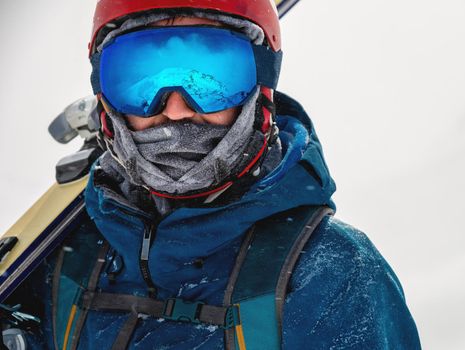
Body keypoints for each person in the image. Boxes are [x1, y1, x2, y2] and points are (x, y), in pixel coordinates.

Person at [3, 1, 421, 349]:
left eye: (210, 78)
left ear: (261, 86)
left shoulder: (332, 277)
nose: (176, 108)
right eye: (140, 78)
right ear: (104, 95)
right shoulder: (62, 258)